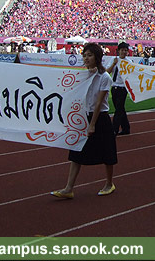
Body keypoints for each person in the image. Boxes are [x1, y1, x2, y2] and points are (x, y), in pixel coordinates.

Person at [51, 43, 117, 199]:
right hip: (84, 116)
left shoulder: (104, 77)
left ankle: (109, 183)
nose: (86, 58)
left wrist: (92, 124)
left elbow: (99, 103)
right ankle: (69, 188)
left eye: (90, 55)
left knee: (107, 153)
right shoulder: (82, 75)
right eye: (84, 55)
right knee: (76, 152)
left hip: (100, 118)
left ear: (97, 57)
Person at [107, 42, 131, 135]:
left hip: (122, 88)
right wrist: (113, 64)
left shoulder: (128, 62)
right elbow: (107, 72)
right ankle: (126, 128)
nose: (124, 52)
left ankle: (114, 129)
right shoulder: (113, 60)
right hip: (114, 87)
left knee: (118, 110)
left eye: (126, 50)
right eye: (122, 50)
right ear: (118, 51)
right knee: (120, 109)